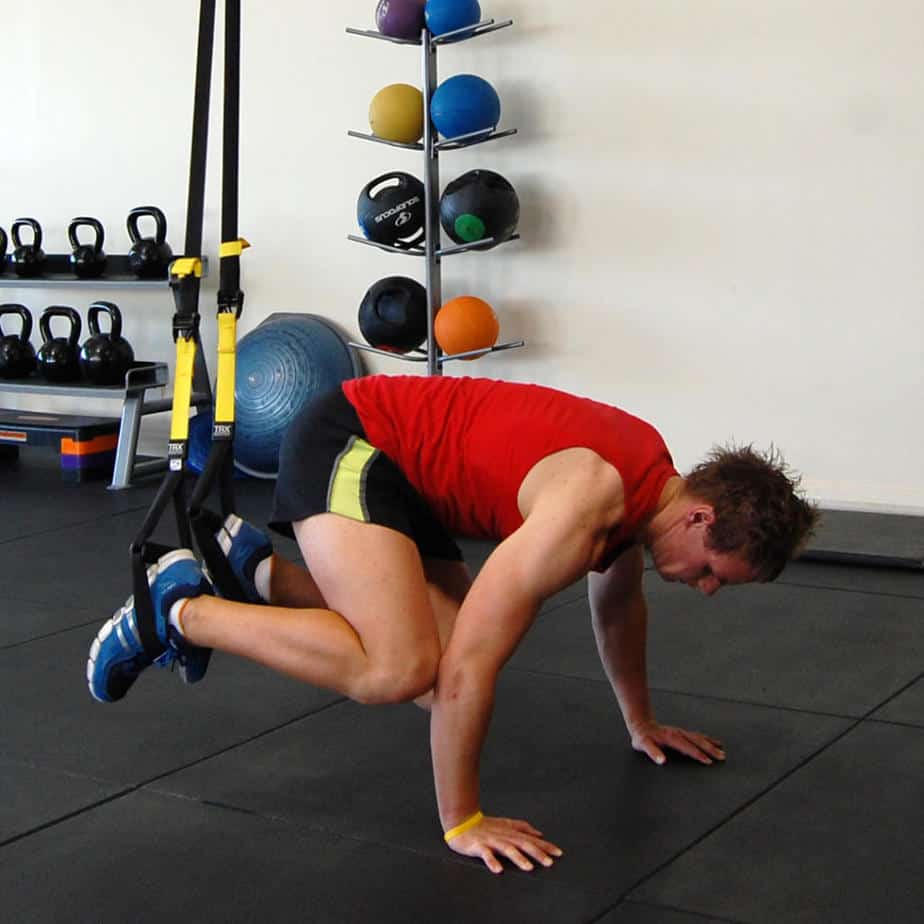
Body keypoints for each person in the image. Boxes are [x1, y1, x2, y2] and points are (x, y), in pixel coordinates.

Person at [87, 374, 818, 874]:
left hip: (406, 482)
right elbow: (474, 664)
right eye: (715, 572)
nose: (707, 589)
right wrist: (463, 819)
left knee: (431, 684)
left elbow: (619, 604)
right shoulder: (586, 505)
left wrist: (641, 722)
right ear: (700, 518)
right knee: (398, 671)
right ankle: (176, 609)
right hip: (352, 441)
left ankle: (261, 572)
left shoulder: (650, 483)